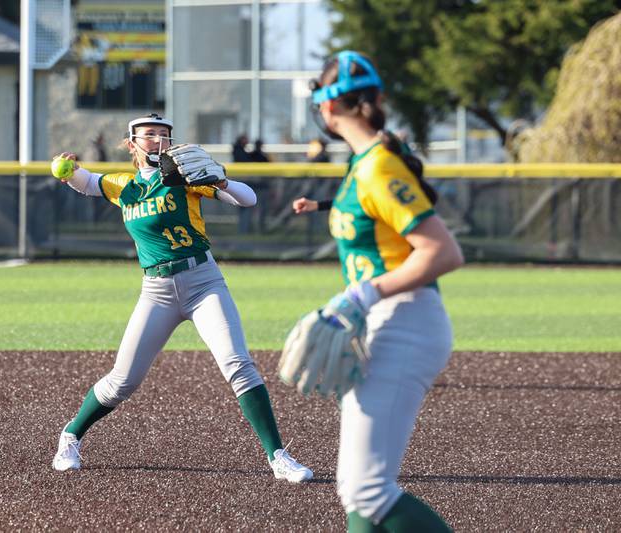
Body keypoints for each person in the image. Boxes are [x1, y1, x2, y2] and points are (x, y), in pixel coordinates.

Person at [50, 113, 313, 483]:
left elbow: (248, 199)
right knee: (123, 382)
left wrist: (220, 180)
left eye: (163, 134)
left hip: (203, 282)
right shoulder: (123, 186)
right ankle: (71, 436)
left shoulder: (185, 178)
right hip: (156, 292)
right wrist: (67, 170)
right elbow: (87, 183)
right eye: (149, 135)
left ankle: (278, 457)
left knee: (238, 364)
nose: (157, 140)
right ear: (132, 143)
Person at [292, 51, 463, 531]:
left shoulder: (377, 165)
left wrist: (360, 295)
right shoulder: (367, 161)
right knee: (357, 487)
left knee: (367, 488)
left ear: (327, 108)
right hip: (383, 320)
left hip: (405, 321)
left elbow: (443, 252)